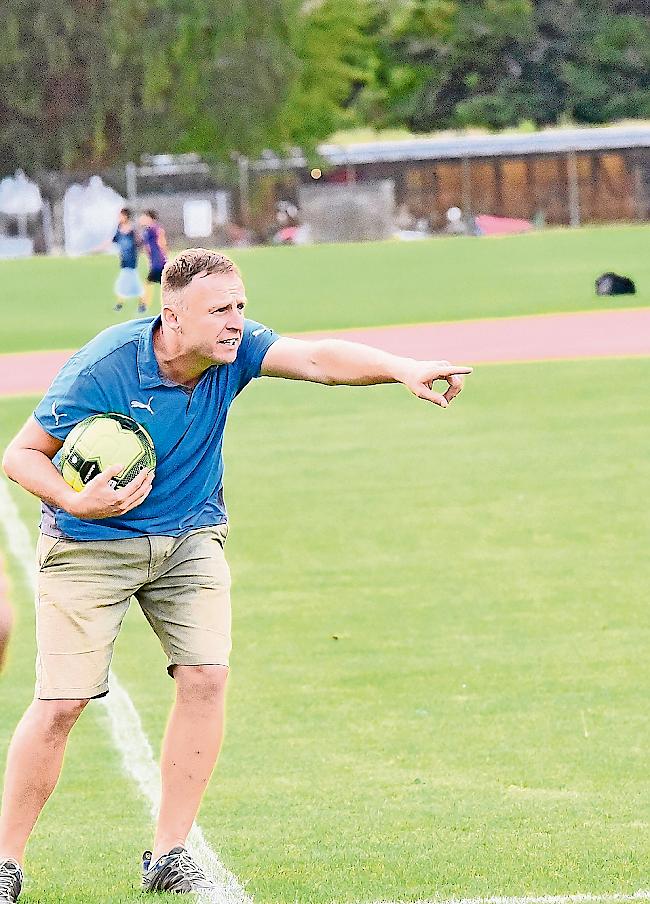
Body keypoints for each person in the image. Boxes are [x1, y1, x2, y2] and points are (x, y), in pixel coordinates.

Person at [0, 248, 471, 901]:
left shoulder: (237, 351)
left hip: (189, 536)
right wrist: (79, 501)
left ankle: (168, 852)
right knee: (61, 705)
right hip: (90, 545)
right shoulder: (105, 367)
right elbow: (20, 454)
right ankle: (6, 863)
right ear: (173, 315)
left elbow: (316, 360)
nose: (235, 322)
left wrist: (401, 368)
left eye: (240, 307)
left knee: (206, 678)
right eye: (220, 310)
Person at [112, 207, 145, 314]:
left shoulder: (132, 230)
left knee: (125, 284)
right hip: (124, 262)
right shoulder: (119, 229)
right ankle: (141, 305)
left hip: (131, 262)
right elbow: (114, 240)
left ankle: (120, 305)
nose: (119, 218)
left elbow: (139, 243)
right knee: (130, 284)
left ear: (125, 216)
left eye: (120, 216)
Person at [139, 210, 168, 311]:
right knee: (163, 284)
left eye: (143, 217)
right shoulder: (146, 231)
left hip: (159, 262)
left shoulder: (156, 229)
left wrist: (164, 257)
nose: (141, 219)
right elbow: (147, 248)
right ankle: (144, 305)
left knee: (151, 283)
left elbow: (161, 242)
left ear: (150, 218)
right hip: (155, 262)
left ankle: (143, 305)